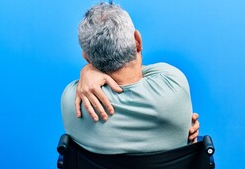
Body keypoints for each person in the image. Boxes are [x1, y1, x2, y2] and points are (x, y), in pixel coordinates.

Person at [61, 1, 199, 154]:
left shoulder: (72, 100)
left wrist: (87, 69)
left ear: (86, 58)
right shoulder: (173, 83)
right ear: (138, 41)